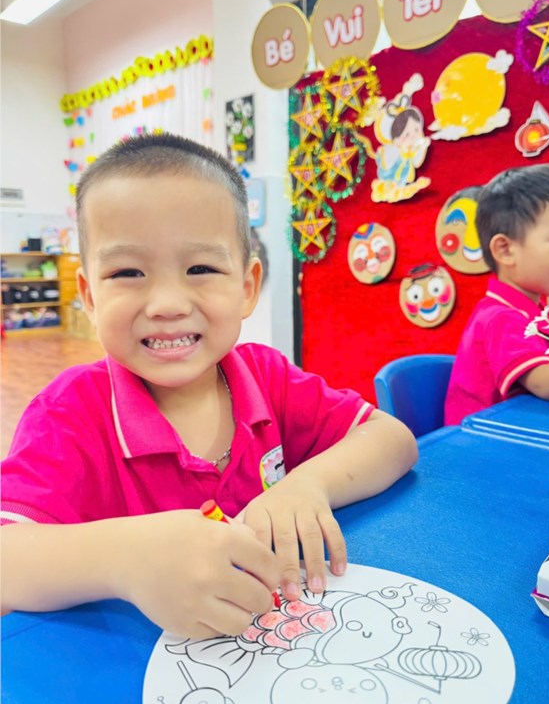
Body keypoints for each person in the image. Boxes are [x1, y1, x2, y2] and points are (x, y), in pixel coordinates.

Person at [1, 133, 418, 640]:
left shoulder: (268, 377)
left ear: (246, 287)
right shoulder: (69, 413)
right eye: (127, 272)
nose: (168, 304)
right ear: (90, 297)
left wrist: (308, 485)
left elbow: (392, 438)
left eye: (200, 268)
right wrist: (123, 558)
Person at [444, 163, 549, 426]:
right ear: (505, 250)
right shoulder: (499, 317)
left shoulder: (538, 315)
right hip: (484, 443)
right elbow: (544, 381)